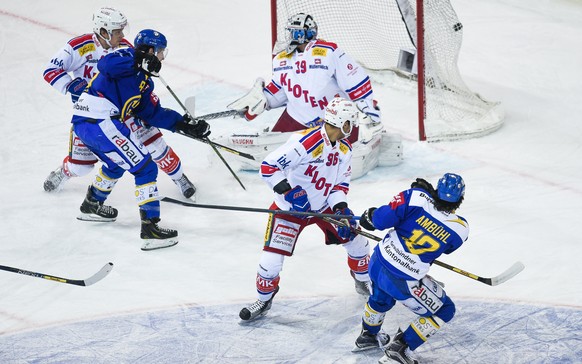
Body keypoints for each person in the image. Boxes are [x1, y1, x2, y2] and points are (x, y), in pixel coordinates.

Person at [71, 29, 211, 251]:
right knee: (145, 169)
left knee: (115, 164)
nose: (163, 57)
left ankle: (91, 205)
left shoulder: (145, 82)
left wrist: (184, 125)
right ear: (150, 50)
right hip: (100, 121)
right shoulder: (125, 56)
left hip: (88, 124)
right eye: (161, 52)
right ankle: (150, 229)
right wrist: (139, 59)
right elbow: (106, 65)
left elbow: (152, 113)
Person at [239, 97, 372, 321]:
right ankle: (264, 298)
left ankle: (362, 280)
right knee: (270, 263)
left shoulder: (344, 149)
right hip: (292, 211)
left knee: (357, 241)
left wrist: (340, 208)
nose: (353, 127)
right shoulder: (306, 143)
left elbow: (339, 184)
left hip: (324, 207)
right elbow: (269, 166)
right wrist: (289, 192)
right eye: (351, 122)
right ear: (342, 123)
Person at [43, 7, 197, 200]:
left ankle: (179, 178)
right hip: (92, 112)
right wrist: (73, 85)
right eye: (117, 31)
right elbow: (51, 70)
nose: (123, 35)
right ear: (103, 31)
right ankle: (66, 171)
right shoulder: (79, 46)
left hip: (126, 111)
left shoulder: (124, 46)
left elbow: (136, 76)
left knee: (154, 144)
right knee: (81, 167)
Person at [352, 174, 469, 363]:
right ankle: (400, 348)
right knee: (445, 310)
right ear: (460, 199)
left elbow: (380, 221)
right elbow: (447, 249)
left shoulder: (415, 197)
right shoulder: (460, 228)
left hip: (377, 262)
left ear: (437, 190)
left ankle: (368, 336)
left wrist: (370, 215)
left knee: (380, 298)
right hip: (403, 280)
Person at [227, 13, 381, 144]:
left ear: (299, 35)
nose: (289, 36)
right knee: (275, 149)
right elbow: (279, 89)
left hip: (335, 118)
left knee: (341, 155)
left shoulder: (328, 52)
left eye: (292, 32)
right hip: (298, 116)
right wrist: (261, 100)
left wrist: (366, 111)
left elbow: (355, 81)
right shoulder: (282, 59)